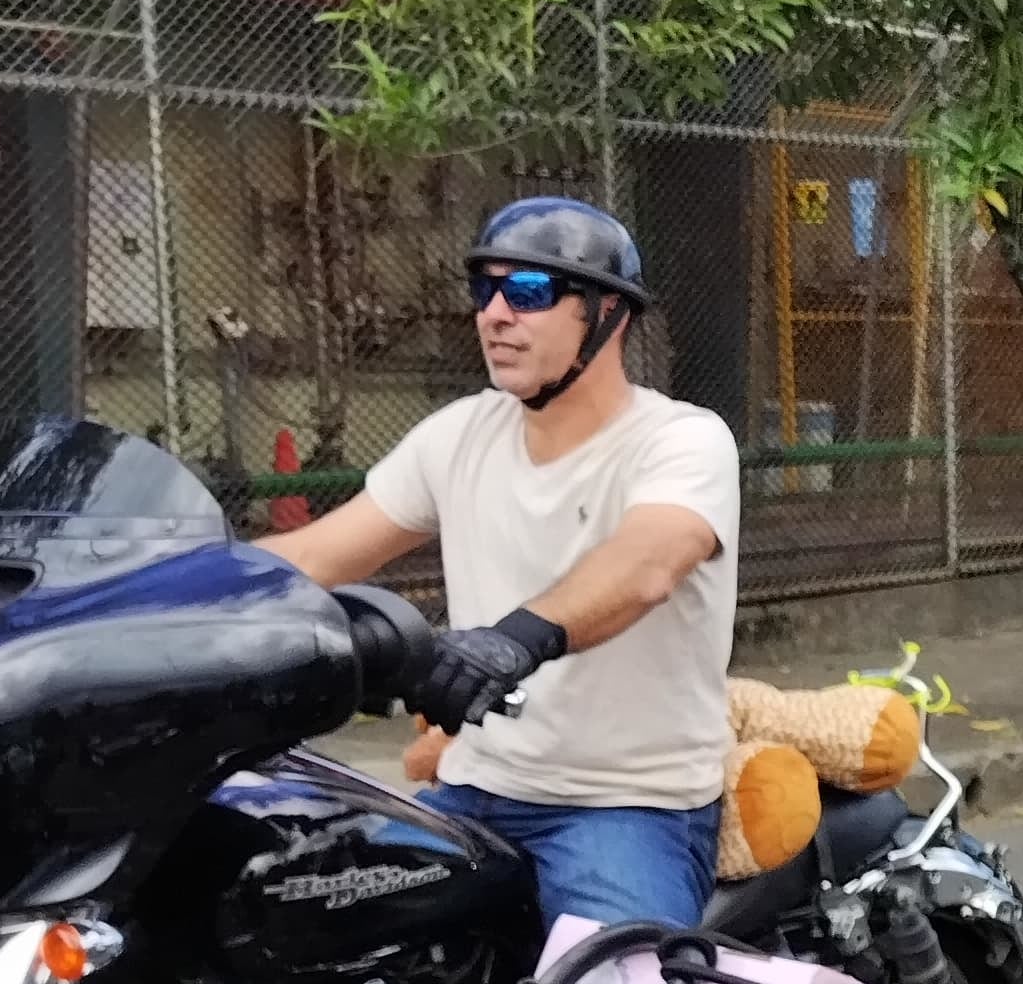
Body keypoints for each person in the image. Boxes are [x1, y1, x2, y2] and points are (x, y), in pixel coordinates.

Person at [273, 199, 744, 934]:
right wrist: (145, 592)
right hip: (474, 788)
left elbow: (648, 560)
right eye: (483, 290)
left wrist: (515, 638)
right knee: (306, 935)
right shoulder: (459, 435)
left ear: (607, 312)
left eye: (526, 292)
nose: (494, 314)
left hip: (625, 805)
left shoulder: (681, 440)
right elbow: (310, 556)